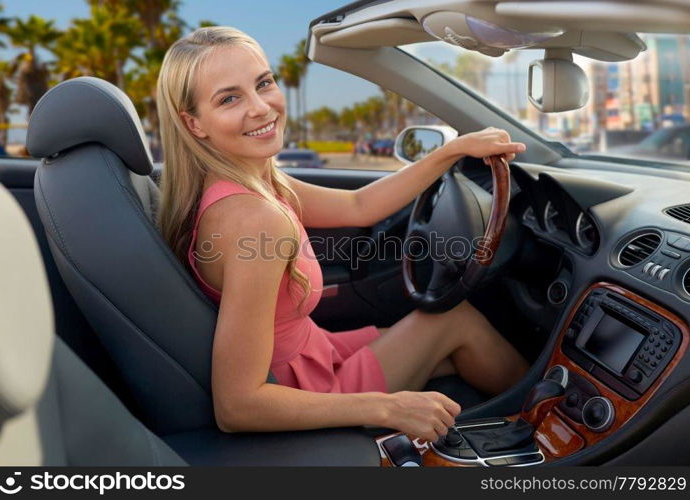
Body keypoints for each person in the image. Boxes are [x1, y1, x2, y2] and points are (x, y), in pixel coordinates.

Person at [156, 27, 529, 442]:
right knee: (455, 323)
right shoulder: (253, 218)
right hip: (300, 390)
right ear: (195, 124)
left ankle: (539, 418)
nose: (261, 108)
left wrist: (451, 151)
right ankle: (553, 423)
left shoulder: (254, 184)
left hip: (316, 355)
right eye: (229, 98)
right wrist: (390, 407)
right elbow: (238, 405)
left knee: (449, 328)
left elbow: (359, 207)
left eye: (263, 83)